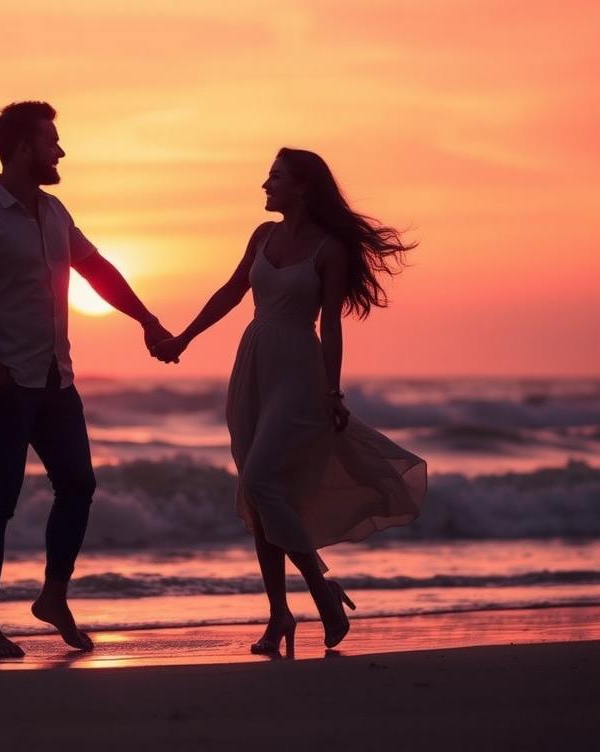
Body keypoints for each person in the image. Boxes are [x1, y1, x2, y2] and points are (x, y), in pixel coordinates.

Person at [153, 148, 426, 655]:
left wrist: (332, 389)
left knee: (259, 480)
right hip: (253, 364)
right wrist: (183, 339)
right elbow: (232, 291)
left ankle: (321, 592)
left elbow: (332, 324)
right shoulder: (262, 236)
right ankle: (279, 614)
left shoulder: (329, 250)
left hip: (298, 370)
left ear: (302, 186)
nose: (265, 184)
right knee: (260, 496)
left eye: (275, 177)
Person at [0, 101, 174, 659]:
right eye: (51, 142)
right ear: (23, 148)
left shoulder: (54, 212)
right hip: (4, 384)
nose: (60, 151)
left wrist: (146, 320)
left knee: (79, 485)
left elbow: (96, 269)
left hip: (55, 378)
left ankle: (53, 595)